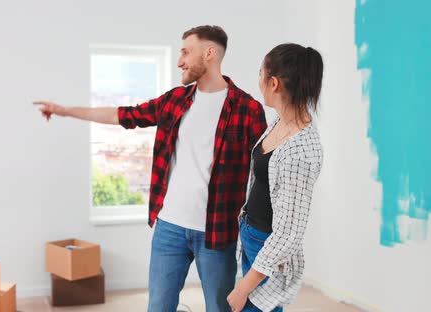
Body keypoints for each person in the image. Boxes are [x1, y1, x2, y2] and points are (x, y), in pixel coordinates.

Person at [36, 25, 267, 312]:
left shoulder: (248, 109)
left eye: (186, 52)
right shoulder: (175, 101)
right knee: (158, 306)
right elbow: (123, 115)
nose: (180, 60)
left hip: (217, 232)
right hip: (169, 226)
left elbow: (262, 175)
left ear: (209, 53)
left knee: (219, 308)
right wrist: (64, 110)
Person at [226, 43, 324, 312]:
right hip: (251, 233)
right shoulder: (279, 121)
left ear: (273, 83)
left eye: (260, 74)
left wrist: (243, 288)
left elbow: (289, 234)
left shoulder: (301, 151)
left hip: (267, 247)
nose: (258, 82)